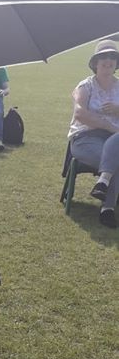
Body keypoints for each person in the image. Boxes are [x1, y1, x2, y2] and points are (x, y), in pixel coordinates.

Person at [69, 38, 119, 228]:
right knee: (116, 160)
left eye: (112, 57)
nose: (108, 61)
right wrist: (108, 126)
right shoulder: (85, 86)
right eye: (103, 57)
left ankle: (103, 183)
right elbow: (79, 113)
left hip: (115, 140)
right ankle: (108, 208)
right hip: (86, 138)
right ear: (95, 62)